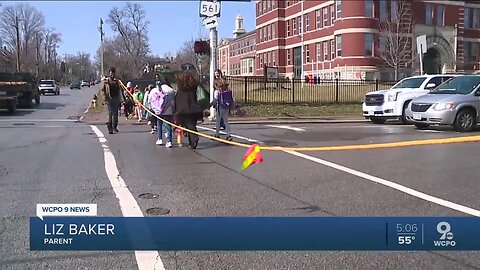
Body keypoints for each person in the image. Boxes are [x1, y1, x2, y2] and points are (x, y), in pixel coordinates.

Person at [174, 72, 203, 149]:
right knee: (192, 125)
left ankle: (194, 138)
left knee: (189, 125)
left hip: (184, 110)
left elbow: (177, 101)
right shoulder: (193, 89)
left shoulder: (181, 90)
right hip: (194, 109)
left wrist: (176, 111)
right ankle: (192, 142)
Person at [101, 67, 124, 134]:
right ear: (109, 73)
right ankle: (110, 128)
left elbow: (120, 90)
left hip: (116, 98)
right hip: (109, 98)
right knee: (110, 113)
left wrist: (121, 99)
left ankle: (115, 127)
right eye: (111, 73)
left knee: (115, 113)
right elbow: (103, 90)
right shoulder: (106, 81)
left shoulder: (117, 81)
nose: (112, 75)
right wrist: (105, 98)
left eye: (113, 73)